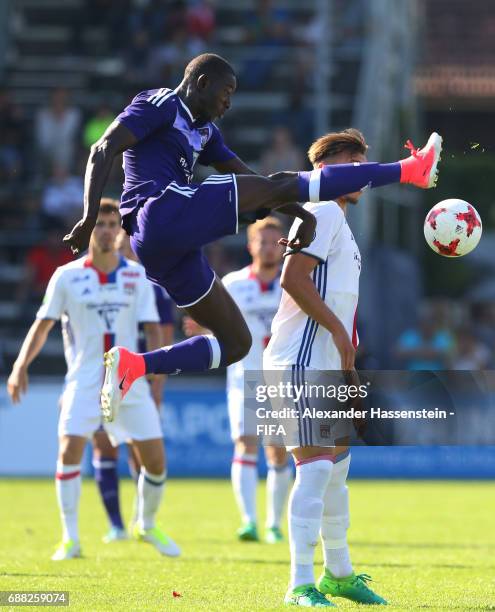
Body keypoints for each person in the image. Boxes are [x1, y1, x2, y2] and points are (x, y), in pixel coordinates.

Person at [62, 53, 442, 421]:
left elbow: (249, 177)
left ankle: (134, 365)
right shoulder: (160, 103)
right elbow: (103, 148)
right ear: (202, 82)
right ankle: (410, 169)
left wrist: (296, 213)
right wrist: (88, 217)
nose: (228, 103)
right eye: (226, 93)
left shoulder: (205, 131)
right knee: (276, 184)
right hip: (159, 211)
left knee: (236, 344)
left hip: (165, 247)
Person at [7, 199, 179, 560]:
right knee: (69, 452)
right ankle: (70, 538)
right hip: (83, 381)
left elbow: (153, 329)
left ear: (120, 230)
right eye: (99, 224)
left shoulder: (136, 276)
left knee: (156, 462)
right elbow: (43, 324)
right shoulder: (66, 276)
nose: (105, 230)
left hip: (129, 383)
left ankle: (145, 523)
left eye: (112, 223)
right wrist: (21, 365)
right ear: (88, 230)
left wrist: (155, 378)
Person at [263, 129, 386, 606]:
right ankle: (299, 584)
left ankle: (339, 572)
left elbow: (341, 303)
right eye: (348, 161)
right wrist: (336, 331)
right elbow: (293, 278)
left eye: (362, 162)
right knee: (314, 471)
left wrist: (348, 367)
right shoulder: (320, 209)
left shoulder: (338, 219)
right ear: (324, 168)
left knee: (335, 473)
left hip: (328, 364)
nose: (359, 171)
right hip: (298, 360)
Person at [184, 217, 291, 543]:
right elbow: (215, 322)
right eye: (263, 241)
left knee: (278, 451)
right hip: (244, 376)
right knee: (245, 445)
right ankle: (249, 521)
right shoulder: (233, 283)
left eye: (275, 241)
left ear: (283, 245)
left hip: (284, 379)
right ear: (250, 246)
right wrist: (203, 330)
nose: (269, 247)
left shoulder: (294, 283)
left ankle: (274, 524)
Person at [92, 229, 174, 542]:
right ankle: (116, 524)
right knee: (103, 443)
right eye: (121, 244)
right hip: (99, 374)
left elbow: (163, 333)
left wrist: (158, 381)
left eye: (130, 245)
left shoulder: (151, 283)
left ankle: (142, 518)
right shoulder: (95, 280)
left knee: (139, 450)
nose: (126, 249)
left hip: (139, 375)